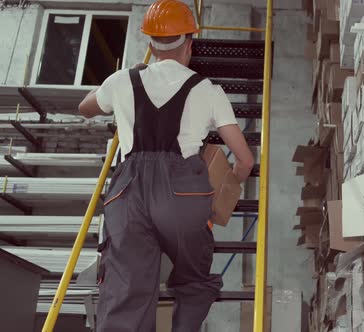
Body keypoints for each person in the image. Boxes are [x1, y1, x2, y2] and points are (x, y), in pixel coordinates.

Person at [78, 0, 255, 330]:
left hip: (127, 195)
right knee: (194, 280)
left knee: (126, 290)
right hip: (183, 196)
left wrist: (112, 88)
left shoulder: (121, 80)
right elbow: (245, 159)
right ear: (189, 44)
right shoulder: (208, 90)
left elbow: (85, 107)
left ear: (150, 44)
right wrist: (230, 187)